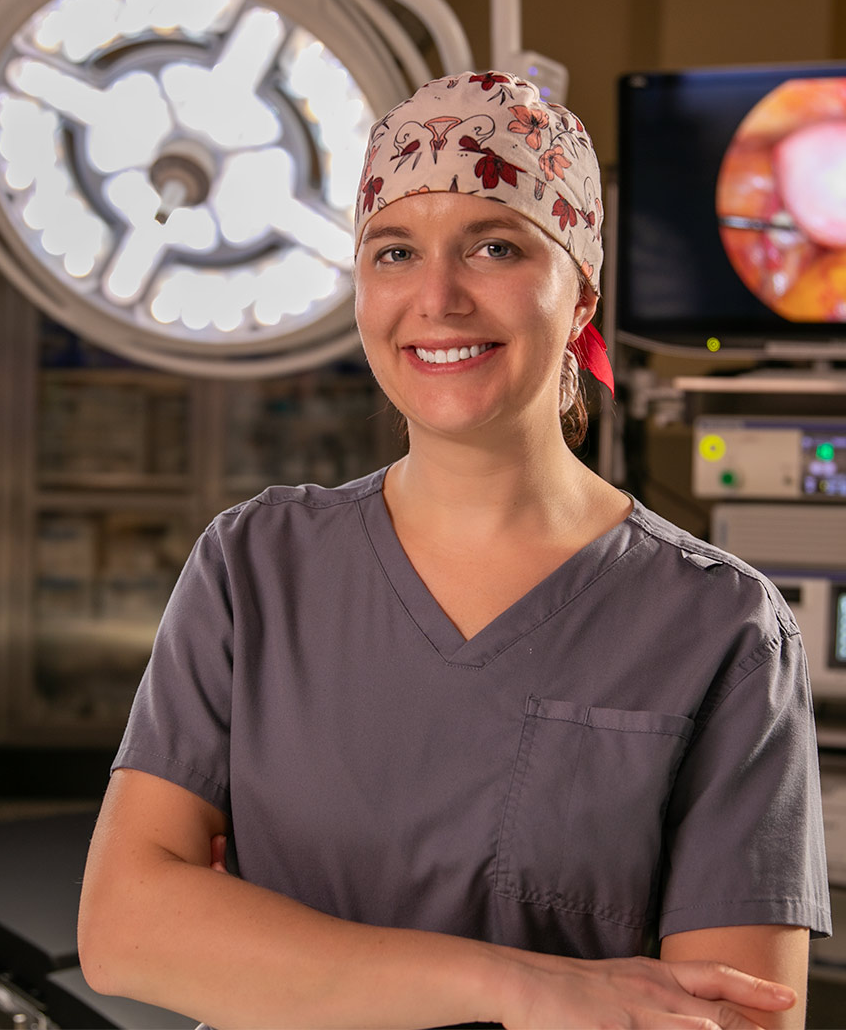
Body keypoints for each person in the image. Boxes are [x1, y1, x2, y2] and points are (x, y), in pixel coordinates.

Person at [77, 71, 830, 1029]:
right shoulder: (256, 566)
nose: (437, 298)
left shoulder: (718, 624)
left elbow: (739, 1018)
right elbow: (124, 928)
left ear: (581, 291)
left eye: (495, 246)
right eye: (394, 252)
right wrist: (521, 985)